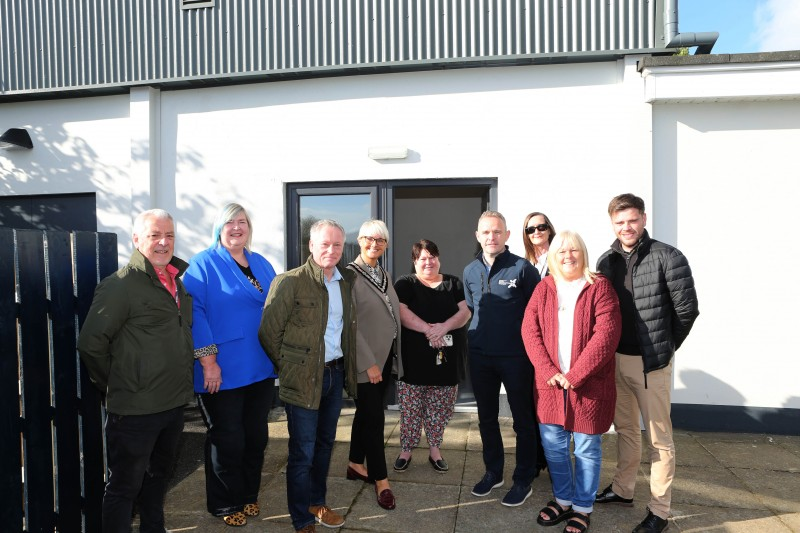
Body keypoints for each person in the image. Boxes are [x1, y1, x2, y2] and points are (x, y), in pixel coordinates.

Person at [78, 209, 194, 533]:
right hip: (134, 410)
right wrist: (114, 383)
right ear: (137, 239)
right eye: (155, 235)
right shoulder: (120, 285)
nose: (163, 242)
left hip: (172, 404)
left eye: (169, 235)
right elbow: (90, 344)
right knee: (123, 489)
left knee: (158, 483)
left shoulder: (176, 283)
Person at [594, 194, 699, 533]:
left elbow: (687, 311)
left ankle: (660, 511)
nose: (626, 227)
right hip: (616, 362)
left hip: (651, 365)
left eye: (632, 220)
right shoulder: (606, 261)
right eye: (619, 222)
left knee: (659, 440)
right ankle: (623, 490)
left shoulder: (667, 256)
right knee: (624, 430)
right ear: (612, 223)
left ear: (643, 219)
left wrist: (664, 348)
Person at [258, 219, 357, 533]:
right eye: (324, 244)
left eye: (337, 244)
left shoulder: (346, 281)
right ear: (311, 246)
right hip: (303, 379)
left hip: (335, 375)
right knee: (303, 451)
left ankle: (317, 503)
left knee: (326, 445)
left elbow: (346, 332)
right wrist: (291, 367)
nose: (331, 250)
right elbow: (268, 333)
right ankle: (301, 518)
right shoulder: (289, 281)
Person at [182, 203, 278, 526]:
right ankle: (224, 502)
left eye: (242, 222)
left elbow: (276, 307)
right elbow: (195, 314)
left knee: (256, 437)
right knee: (228, 439)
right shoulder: (203, 264)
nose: (237, 227)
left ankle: (249, 495)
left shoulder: (262, 263)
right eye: (230, 222)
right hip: (221, 370)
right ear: (219, 228)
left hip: (261, 366)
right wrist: (209, 362)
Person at [522, 230, 621, 533]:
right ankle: (563, 499)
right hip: (550, 384)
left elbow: (607, 336)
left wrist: (575, 375)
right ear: (552, 257)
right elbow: (530, 330)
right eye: (562, 252)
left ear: (583, 253)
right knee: (553, 447)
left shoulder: (599, 287)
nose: (568, 256)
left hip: (588, 386)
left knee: (587, 448)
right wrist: (547, 369)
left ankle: (582, 507)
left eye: (574, 250)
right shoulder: (545, 288)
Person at [463, 210, 542, 507]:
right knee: (486, 419)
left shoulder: (523, 269)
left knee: (523, 420)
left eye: (497, 232)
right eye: (485, 232)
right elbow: (473, 309)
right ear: (478, 235)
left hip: (516, 358)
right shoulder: (470, 271)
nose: (491, 237)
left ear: (507, 235)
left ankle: (523, 479)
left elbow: (537, 315)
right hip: (481, 357)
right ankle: (493, 472)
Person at [393, 240, 471, 475]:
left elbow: (466, 311)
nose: (429, 262)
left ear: (439, 259)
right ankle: (406, 450)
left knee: (441, 409)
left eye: (433, 257)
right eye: (423, 258)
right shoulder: (406, 283)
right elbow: (401, 311)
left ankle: (435, 450)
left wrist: (444, 327)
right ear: (415, 261)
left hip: (446, 362)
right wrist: (429, 330)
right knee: (410, 409)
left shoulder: (453, 282)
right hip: (413, 361)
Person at [345, 220, 403, 511]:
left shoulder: (383, 273)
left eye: (381, 240)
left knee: (366, 416)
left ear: (386, 244)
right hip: (365, 362)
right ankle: (381, 480)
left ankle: (355, 464)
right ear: (359, 240)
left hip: (384, 358)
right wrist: (368, 363)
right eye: (369, 238)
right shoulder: (349, 275)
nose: (375, 244)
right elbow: (349, 324)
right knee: (375, 420)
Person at [522, 211, 556, 277]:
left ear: (549, 230)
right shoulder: (524, 263)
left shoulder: (559, 258)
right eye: (531, 229)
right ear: (527, 235)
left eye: (541, 227)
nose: (536, 232)